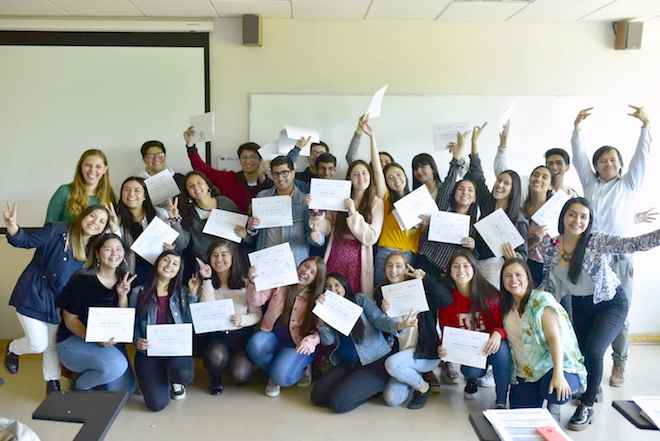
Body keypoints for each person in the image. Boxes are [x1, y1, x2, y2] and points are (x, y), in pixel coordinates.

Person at [539, 197, 660, 430]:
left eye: (584, 216)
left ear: (589, 221)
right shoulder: (550, 246)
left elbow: (634, 244)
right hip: (580, 305)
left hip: (610, 303)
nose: (577, 220)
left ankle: (587, 404)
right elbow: (549, 282)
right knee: (583, 354)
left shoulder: (597, 242)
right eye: (572, 214)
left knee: (594, 351)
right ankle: (591, 387)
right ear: (563, 216)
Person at [572, 106, 651, 387]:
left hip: (620, 257)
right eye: (602, 161)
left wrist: (645, 126)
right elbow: (578, 157)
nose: (607, 164)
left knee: (621, 313)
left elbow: (643, 157)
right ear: (596, 166)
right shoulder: (590, 185)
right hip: (591, 258)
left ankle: (620, 363)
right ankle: (592, 367)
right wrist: (577, 129)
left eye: (612, 160)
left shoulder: (629, 184)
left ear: (620, 164)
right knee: (591, 313)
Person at [3, 204, 109, 394]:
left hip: (58, 303)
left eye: (102, 221)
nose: (95, 222)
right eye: (93, 216)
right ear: (83, 216)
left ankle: (52, 383)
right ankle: (13, 349)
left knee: (51, 345)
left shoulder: (94, 250)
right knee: (38, 344)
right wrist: (12, 227)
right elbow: (25, 241)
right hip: (33, 294)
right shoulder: (57, 230)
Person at [500, 258, 586, 421]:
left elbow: (555, 338)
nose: (514, 280)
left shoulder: (541, 300)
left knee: (555, 393)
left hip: (555, 365)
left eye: (519, 275)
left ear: (528, 277)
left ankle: (553, 406)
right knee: (520, 418)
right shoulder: (506, 306)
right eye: (508, 276)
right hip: (527, 372)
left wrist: (558, 374)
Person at [311, 273, 408, 413]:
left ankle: (374, 386)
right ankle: (355, 386)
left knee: (338, 404)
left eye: (337, 285)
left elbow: (379, 320)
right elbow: (328, 341)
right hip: (347, 364)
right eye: (329, 287)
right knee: (317, 396)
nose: (333, 289)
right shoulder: (329, 310)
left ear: (344, 286)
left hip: (373, 363)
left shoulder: (359, 299)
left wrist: (399, 325)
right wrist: (320, 317)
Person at [55, 234, 136, 392]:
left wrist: (122, 296)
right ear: (98, 253)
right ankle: (78, 386)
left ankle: (88, 373)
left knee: (126, 390)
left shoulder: (125, 279)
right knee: (116, 367)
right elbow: (69, 320)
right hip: (75, 340)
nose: (114, 254)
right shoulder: (81, 279)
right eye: (108, 249)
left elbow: (122, 320)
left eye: (118, 249)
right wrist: (94, 338)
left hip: (108, 342)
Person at [311, 121, 384, 295]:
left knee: (352, 299)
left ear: (370, 176)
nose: (361, 178)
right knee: (329, 294)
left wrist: (352, 212)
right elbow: (329, 227)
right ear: (349, 177)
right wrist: (318, 215)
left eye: (364, 173)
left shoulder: (376, 202)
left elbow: (371, 237)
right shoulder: (341, 197)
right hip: (335, 253)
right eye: (356, 174)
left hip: (359, 260)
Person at [437, 250, 511, 408]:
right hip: (470, 352)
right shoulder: (447, 300)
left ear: (474, 268)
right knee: (471, 372)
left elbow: (505, 323)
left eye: (466, 266)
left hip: (493, 345)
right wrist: (444, 349)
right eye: (456, 266)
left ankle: (501, 400)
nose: (461, 271)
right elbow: (446, 332)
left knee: (502, 350)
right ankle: (472, 380)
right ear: (449, 271)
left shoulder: (490, 294)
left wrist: (498, 334)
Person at [379, 253, 452, 410]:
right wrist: (383, 312)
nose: (393, 270)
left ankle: (423, 387)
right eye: (389, 266)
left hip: (425, 352)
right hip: (401, 356)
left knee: (391, 364)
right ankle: (413, 377)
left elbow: (446, 300)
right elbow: (381, 330)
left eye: (398, 266)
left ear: (406, 269)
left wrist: (426, 279)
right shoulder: (382, 293)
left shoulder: (420, 289)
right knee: (391, 399)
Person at [245, 257, 326, 397]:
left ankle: (291, 370)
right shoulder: (281, 283)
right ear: (299, 265)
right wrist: (253, 282)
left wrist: (312, 340)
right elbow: (256, 301)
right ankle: (275, 372)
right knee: (255, 345)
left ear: (316, 279)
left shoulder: (317, 298)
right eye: (305, 266)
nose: (306, 272)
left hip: (297, 345)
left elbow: (322, 330)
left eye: (312, 272)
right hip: (273, 336)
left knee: (281, 375)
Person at [193, 240, 261, 395]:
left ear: (233, 257)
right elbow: (206, 311)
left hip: (239, 336)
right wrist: (207, 280)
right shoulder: (205, 283)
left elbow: (257, 314)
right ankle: (215, 376)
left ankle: (231, 363)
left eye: (224, 255)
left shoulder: (246, 283)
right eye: (214, 255)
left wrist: (242, 320)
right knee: (216, 355)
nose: (219, 260)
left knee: (241, 375)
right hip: (216, 337)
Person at [130, 250, 195, 411]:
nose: (169, 266)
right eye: (166, 260)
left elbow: (190, 325)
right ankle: (157, 380)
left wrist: (193, 296)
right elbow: (130, 322)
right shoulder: (138, 291)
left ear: (179, 270)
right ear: (157, 263)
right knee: (156, 405)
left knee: (183, 375)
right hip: (148, 353)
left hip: (175, 352)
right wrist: (136, 340)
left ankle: (174, 381)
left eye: (175, 264)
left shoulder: (182, 293)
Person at [465, 123, 528, 288]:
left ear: (513, 190)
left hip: (499, 269)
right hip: (476, 263)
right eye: (499, 180)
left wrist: (513, 256)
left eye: (506, 183)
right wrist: (474, 143)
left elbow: (523, 254)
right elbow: (477, 175)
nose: (499, 185)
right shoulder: (487, 203)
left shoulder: (518, 219)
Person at [112, 177, 186, 286]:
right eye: (126, 190)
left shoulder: (160, 214)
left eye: (137, 190)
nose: (131, 194)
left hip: (161, 271)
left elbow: (181, 244)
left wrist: (171, 250)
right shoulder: (115, 219)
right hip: (130, 275)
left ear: (144, 196)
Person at [242, 156, 314, 266]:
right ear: (271, 175)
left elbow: (314, 238)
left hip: (294, 261)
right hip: (266, 259)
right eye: (276, 174)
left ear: (293, 173)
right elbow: (253, 235)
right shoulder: (262, 197)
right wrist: (252, 226)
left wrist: (316, 232)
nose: (280, 178)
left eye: (285, 172)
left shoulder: (305, 201)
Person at [184, 127, 274, 213]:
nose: (248, 161)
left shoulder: (270, 184)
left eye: (253, 157)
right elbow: (202, 169)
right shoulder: (229, 178)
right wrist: (190, 146)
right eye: (244, 157)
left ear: (260, 160)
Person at [177, 171, 240, 263]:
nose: (196, 188)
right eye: (191, 186)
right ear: (188, 192)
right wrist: (175, 221)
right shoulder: (188, 214)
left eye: (199, 183)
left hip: (234, 260)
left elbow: (243, 233)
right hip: (207, 263)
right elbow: (183, 244)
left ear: (207, 185)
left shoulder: (225, 203)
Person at [46, 149, 115, 224]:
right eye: (88, 165)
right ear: (80, 167)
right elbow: (49, 226)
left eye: (98, 167)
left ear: (105, 169)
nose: (92, 170)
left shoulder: (110, 195)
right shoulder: (64, 191)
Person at [522, 166, 553, 287]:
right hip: (527, 264)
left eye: (544, 177)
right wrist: (535, 238)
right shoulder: (521, 209)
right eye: (535, 175)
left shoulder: (556, 209)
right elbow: (520, 248)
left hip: (550, 267)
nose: (538, 179)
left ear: (550, 185)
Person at [139, 140, 187, 218]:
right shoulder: (138, 184)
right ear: (144, 159)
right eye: (150, 156)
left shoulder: (180, 179)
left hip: (182, 227)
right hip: (152, 227)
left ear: (165, 156)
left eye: (160, 154)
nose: (156, 159)